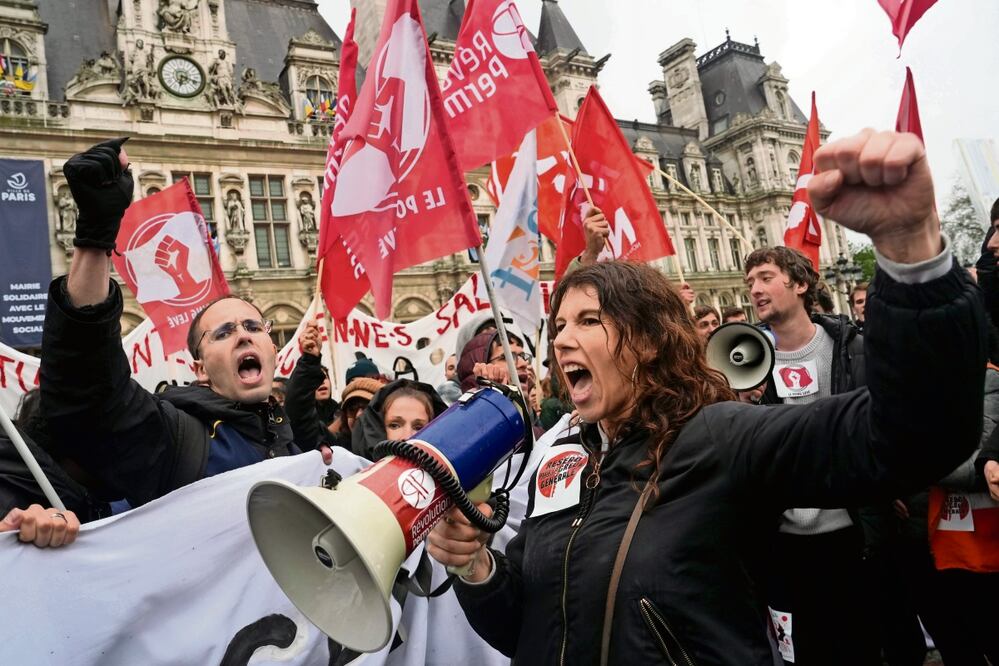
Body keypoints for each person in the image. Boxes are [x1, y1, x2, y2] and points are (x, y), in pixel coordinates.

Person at [427, 129, 985, 664]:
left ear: (647, 341)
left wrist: (912, 255)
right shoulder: (561, 460)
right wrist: (477, 568)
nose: (563, 338)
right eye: (561, 324)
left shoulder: (720, 437)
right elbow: (525, 629)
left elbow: (914, 433)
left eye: (589, 320)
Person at [39, 138, 317, 509]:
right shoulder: (176, 438)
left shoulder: (289, 438)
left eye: (253, 327)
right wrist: (94, 237)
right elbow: (89, 391)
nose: (242, 336)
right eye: (223, 332)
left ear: (273, 349)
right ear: (199, 369)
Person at [744, 244, 881, 664]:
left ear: (800, 284)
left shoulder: (853, 350)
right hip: (784, 546)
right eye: (749, 282)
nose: (755, 290)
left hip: (852, 537)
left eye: (766, 277)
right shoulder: (743, 364)